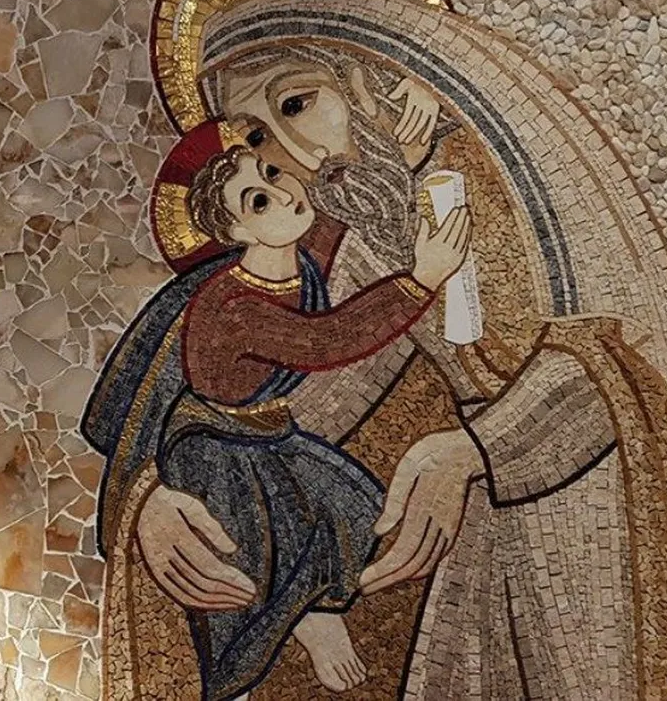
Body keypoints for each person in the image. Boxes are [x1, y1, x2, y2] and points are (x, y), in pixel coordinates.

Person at [89, 9, 667, 700]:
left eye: (297, 103)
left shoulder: (495, 175)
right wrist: (159, 494)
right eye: (255, 136)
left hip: (595, 525)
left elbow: (629, 362)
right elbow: (309, 392)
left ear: (367, 79)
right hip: (480, 553)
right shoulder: (359, 230)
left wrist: (473, 449)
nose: (294, 151)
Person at [149, 125, 470, 698]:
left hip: (268, 429)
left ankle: (319, 602)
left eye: (271, 172)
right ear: (236, 231)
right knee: (259, 550)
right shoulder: (235, 306)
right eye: (258, 200)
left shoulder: (291, 255)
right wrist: (422, 280)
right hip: (216, 446)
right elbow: (325, 340)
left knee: (357, 509)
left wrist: (399, 160)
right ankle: (303, 620)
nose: (283, 192)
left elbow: (342, 223)